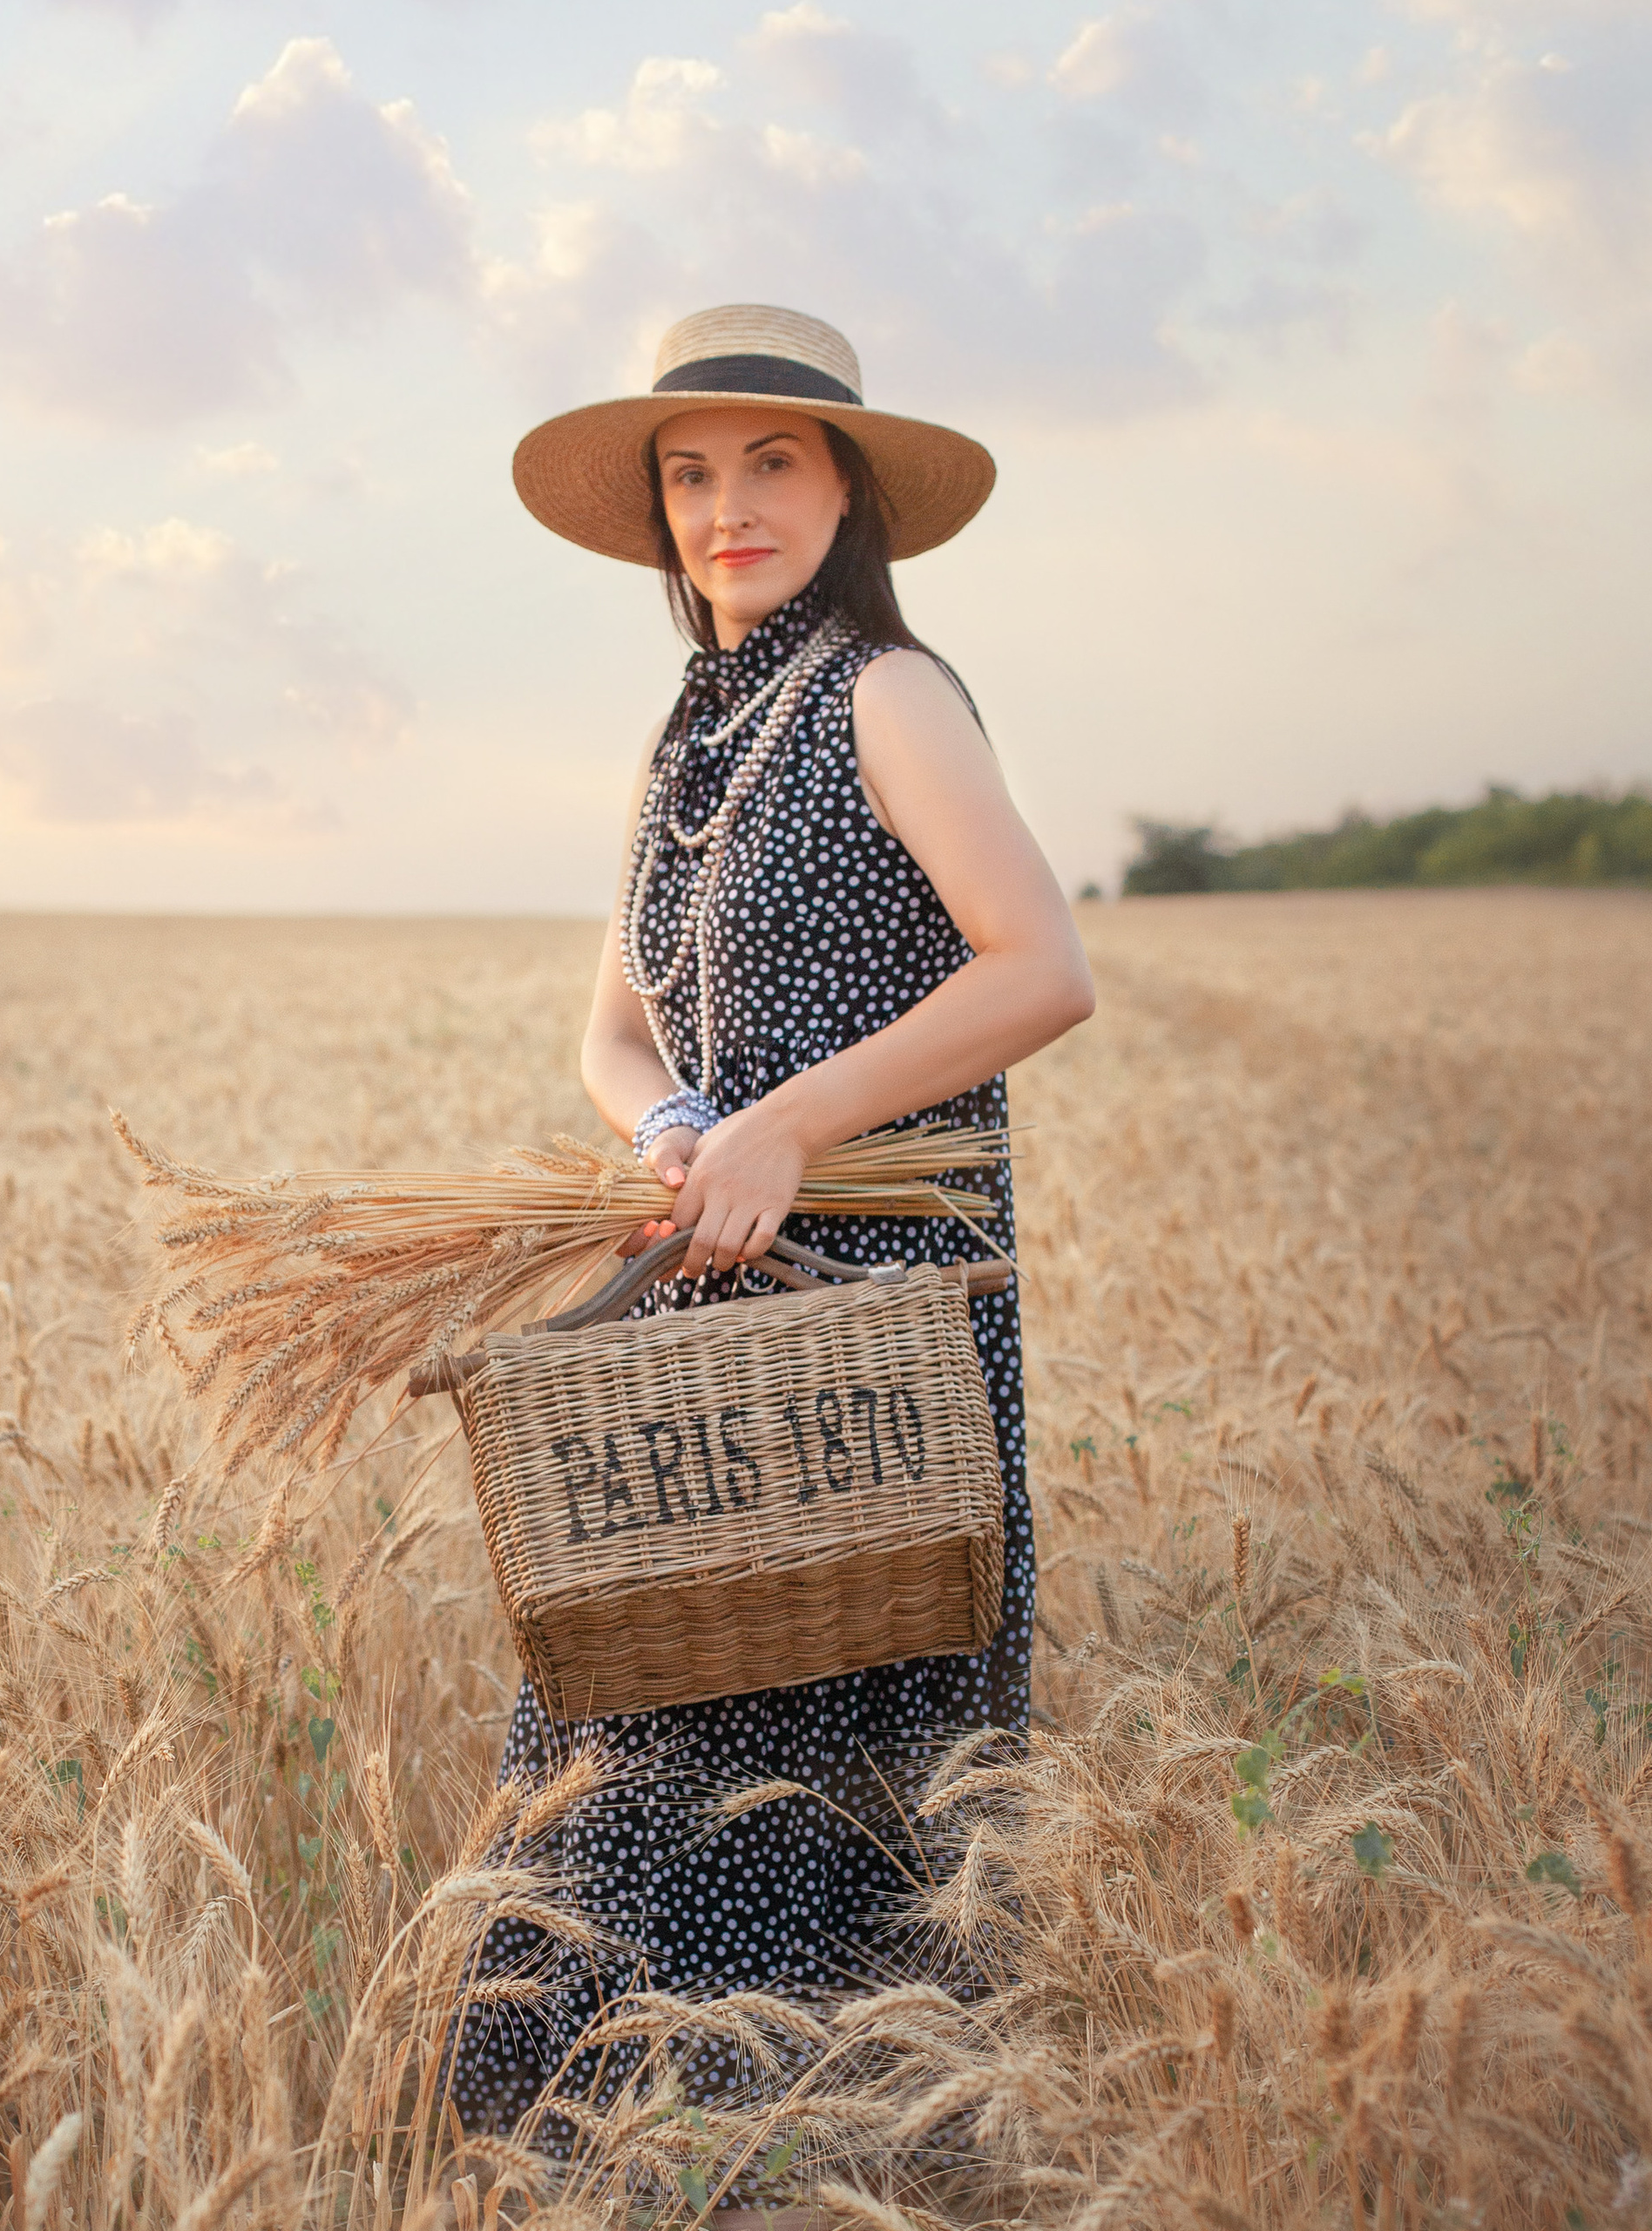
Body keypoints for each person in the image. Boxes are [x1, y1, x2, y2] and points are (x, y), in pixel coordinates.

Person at [446, 305, 1094, 2225]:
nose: (725, 508)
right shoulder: (687, 732)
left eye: (770, 463)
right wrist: (666, 1131)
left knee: (838, 1779)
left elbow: (1039, 965)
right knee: (630, 1745)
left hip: (875, 1329)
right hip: (708, 1345)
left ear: (848, 486)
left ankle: (834, 2175)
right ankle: (617, 2173)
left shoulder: (887, 689)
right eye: (688, 471)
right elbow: (616, 1029)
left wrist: (790, 1123)